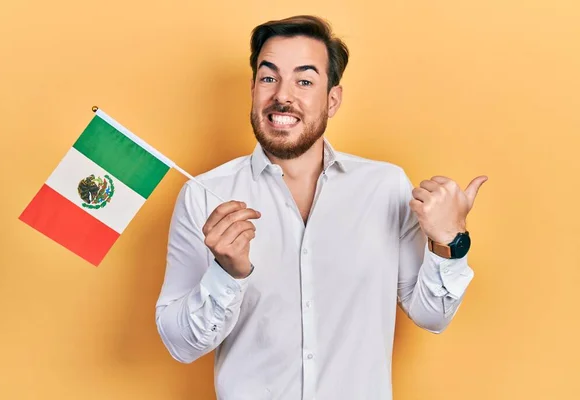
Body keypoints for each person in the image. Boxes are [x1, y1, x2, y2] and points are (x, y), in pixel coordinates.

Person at [155, 15, 487, 400]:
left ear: (332, 99)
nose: (282, 95)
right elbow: (181, 344)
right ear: (252, 89)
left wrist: (451, 241)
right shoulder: (204, 195)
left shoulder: (384, 187)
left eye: (304, 80)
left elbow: (432, 316)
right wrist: (225, 274)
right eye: (268, 77)